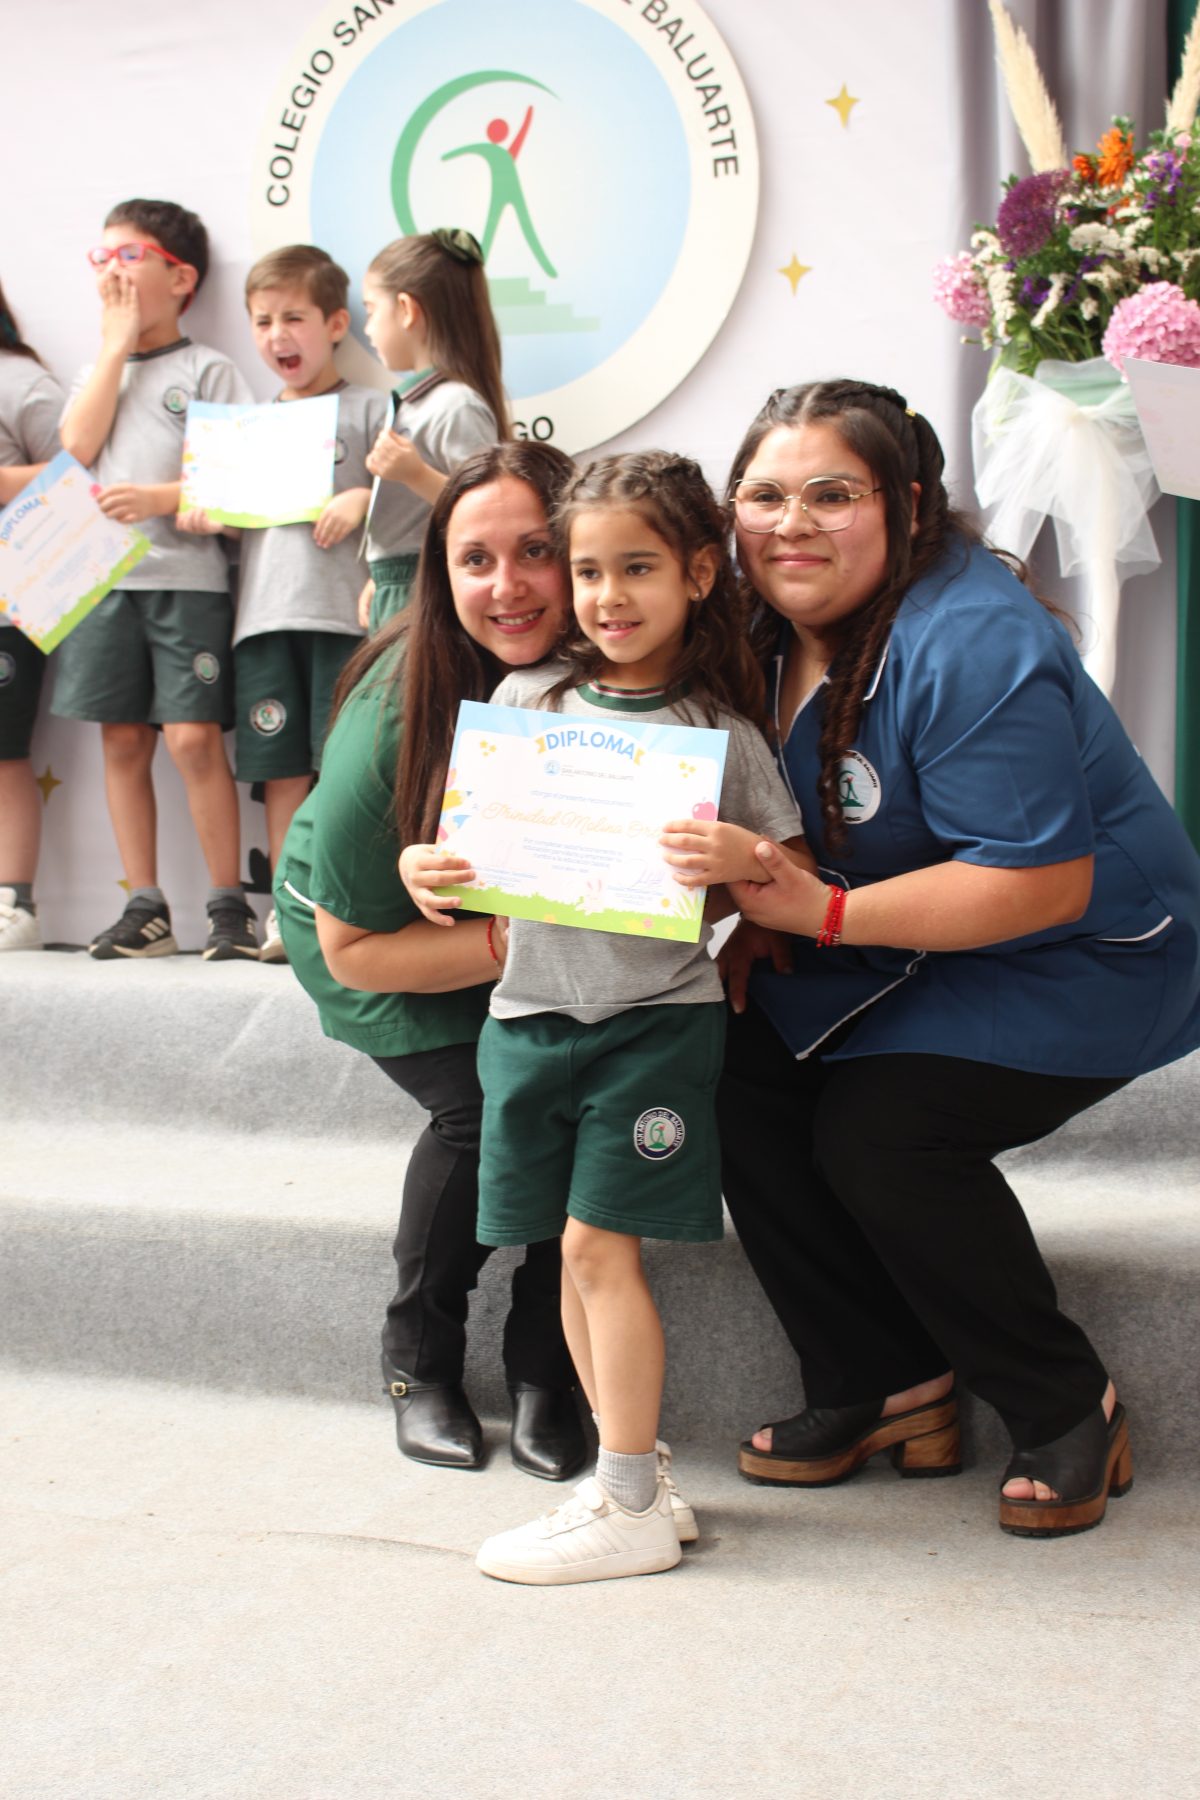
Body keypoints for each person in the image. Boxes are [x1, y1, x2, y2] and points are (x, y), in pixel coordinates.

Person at [714, 378, 1200, 1539]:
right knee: (729, 1071)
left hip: (1086, 951)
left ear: (911, 505)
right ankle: (884, 1382)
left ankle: (1065, 1403)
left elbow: (1040, 882)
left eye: (833, 494)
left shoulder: (973, 638)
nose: (792, 523)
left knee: (884, 1136)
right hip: (899, 935)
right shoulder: (752, 627)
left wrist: (819, 915)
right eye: (765, 496)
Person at [404, 452, 812, 1585]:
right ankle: (633, 1482)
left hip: (655, 1025)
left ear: (697, 573)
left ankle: (627, 1495)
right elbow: (463, 859)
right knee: (569, 1256)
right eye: (588, 571)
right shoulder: (524, 706)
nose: (607, 597)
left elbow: (792, 885)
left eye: (637, 568)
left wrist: (744, 859)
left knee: (593, 1247)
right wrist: (424, 868)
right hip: (527, 1021)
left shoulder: (721, 734)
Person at [273, 442, 586, 1481]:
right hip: (370, 929)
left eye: (536, 550)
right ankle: (417, 1363)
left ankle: (549, 1374)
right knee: (490, 1106)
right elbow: (354, 950)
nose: (508, 586)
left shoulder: (617, 654)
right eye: (475, 560)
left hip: (531, 926)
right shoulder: (399, 712)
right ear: (440, 574)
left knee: (588, 1088)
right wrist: (519, 940)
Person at [52, 198, 257, 960]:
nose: (111, 270)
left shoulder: (208, 369)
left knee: (194, 739)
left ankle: (229, 905)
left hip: (188, 583)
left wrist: (163, 499)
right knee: (122, 739)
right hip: (103, 585)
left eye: (129, 255)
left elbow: (245, 485)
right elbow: (76, 449)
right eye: (102, 256)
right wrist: (113, 346)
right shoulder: (96, 370)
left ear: (181, 278)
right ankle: (145, 905)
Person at [181, 245, 388, 965]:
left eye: (293, 318)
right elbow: (230, 518)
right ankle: (286, 911)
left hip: (344, 619)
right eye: (263, 321)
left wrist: (363, 497)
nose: (277, 336)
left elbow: (406, 502)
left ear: (335, 324)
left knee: (343, 766)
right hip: (263, 621)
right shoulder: (244, 428)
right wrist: (210, 513)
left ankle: (336, 905)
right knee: (280, 767)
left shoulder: (372, 407)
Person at [358, 228, 505, 634]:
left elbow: (489, 514)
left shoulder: (456, 404)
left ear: (406, 309)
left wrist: (415, 473)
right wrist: (380, 573)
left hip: (426, 588)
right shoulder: (419, 401)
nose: (367, 329)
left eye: (371, 310)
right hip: (398, 583)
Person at [0, 280, 64, 951]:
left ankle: (13, 900)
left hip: (10, 603)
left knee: (3, 750)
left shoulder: (21, 381)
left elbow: (77, 471)